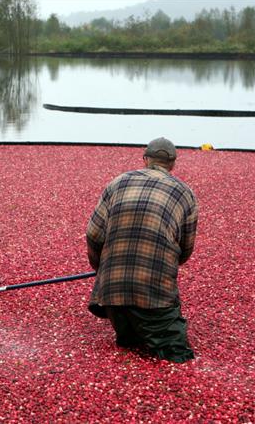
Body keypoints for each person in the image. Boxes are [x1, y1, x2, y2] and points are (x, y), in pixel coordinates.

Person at [86, 137, 198, 363]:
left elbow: (93, 234)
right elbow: (185, 248)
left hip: (111, 292)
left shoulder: (118, 183)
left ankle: (127, 323)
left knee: (132, 341)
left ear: (145, 159)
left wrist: (101, 269)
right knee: (177, 354)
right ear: (173, 164)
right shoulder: (185, 193)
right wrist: (165, 263)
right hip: (155, 292)